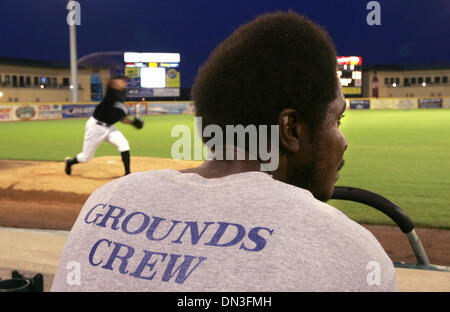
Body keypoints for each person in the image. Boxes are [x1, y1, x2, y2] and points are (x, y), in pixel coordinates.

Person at [51, 12, 397, 292]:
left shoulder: (104, 202)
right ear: (290, 129)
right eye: (338, 119)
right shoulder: (351, 251)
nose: (343, 140)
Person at [64, 74, 143, 176]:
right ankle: (70, 163)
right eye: (122, 80)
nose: (124, 82)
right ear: (114, 82)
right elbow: (109, 84)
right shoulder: (111, 94)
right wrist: (111, 82)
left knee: (124, 144)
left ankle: (127, 174)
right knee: (85, 158)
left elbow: (121, 119)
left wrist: (134, 123)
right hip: (95, 128)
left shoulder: (121, 96)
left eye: (125, 81)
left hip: (109, 128)